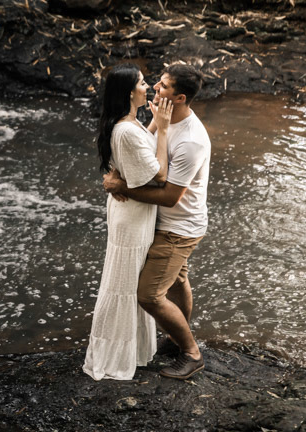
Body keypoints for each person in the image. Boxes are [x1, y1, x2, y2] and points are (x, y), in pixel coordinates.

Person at [102, 63, 210, 380]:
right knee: (176, 280)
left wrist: (124, 188)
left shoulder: (192, 140)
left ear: (178, 97)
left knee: (148, 295)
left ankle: (191, 354)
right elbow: (146, 156)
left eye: (162, 86)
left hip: (178, 226)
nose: (154, 87)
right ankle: (177, 340)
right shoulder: (164, 120)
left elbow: (169, 196)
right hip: (165, 222)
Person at [83, 64, 173, 380]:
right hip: (132, 219)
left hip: (133, 213)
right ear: (129, 92)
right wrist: (162, 128)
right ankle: (112, 357)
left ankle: (131, 351)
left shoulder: (127, 123)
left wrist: (151, 126)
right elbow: (159, 175)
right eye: (142, 83)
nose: (147, 87)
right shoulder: (125, 130)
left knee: (129, 283)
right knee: (122, 284)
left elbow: (139, 150)